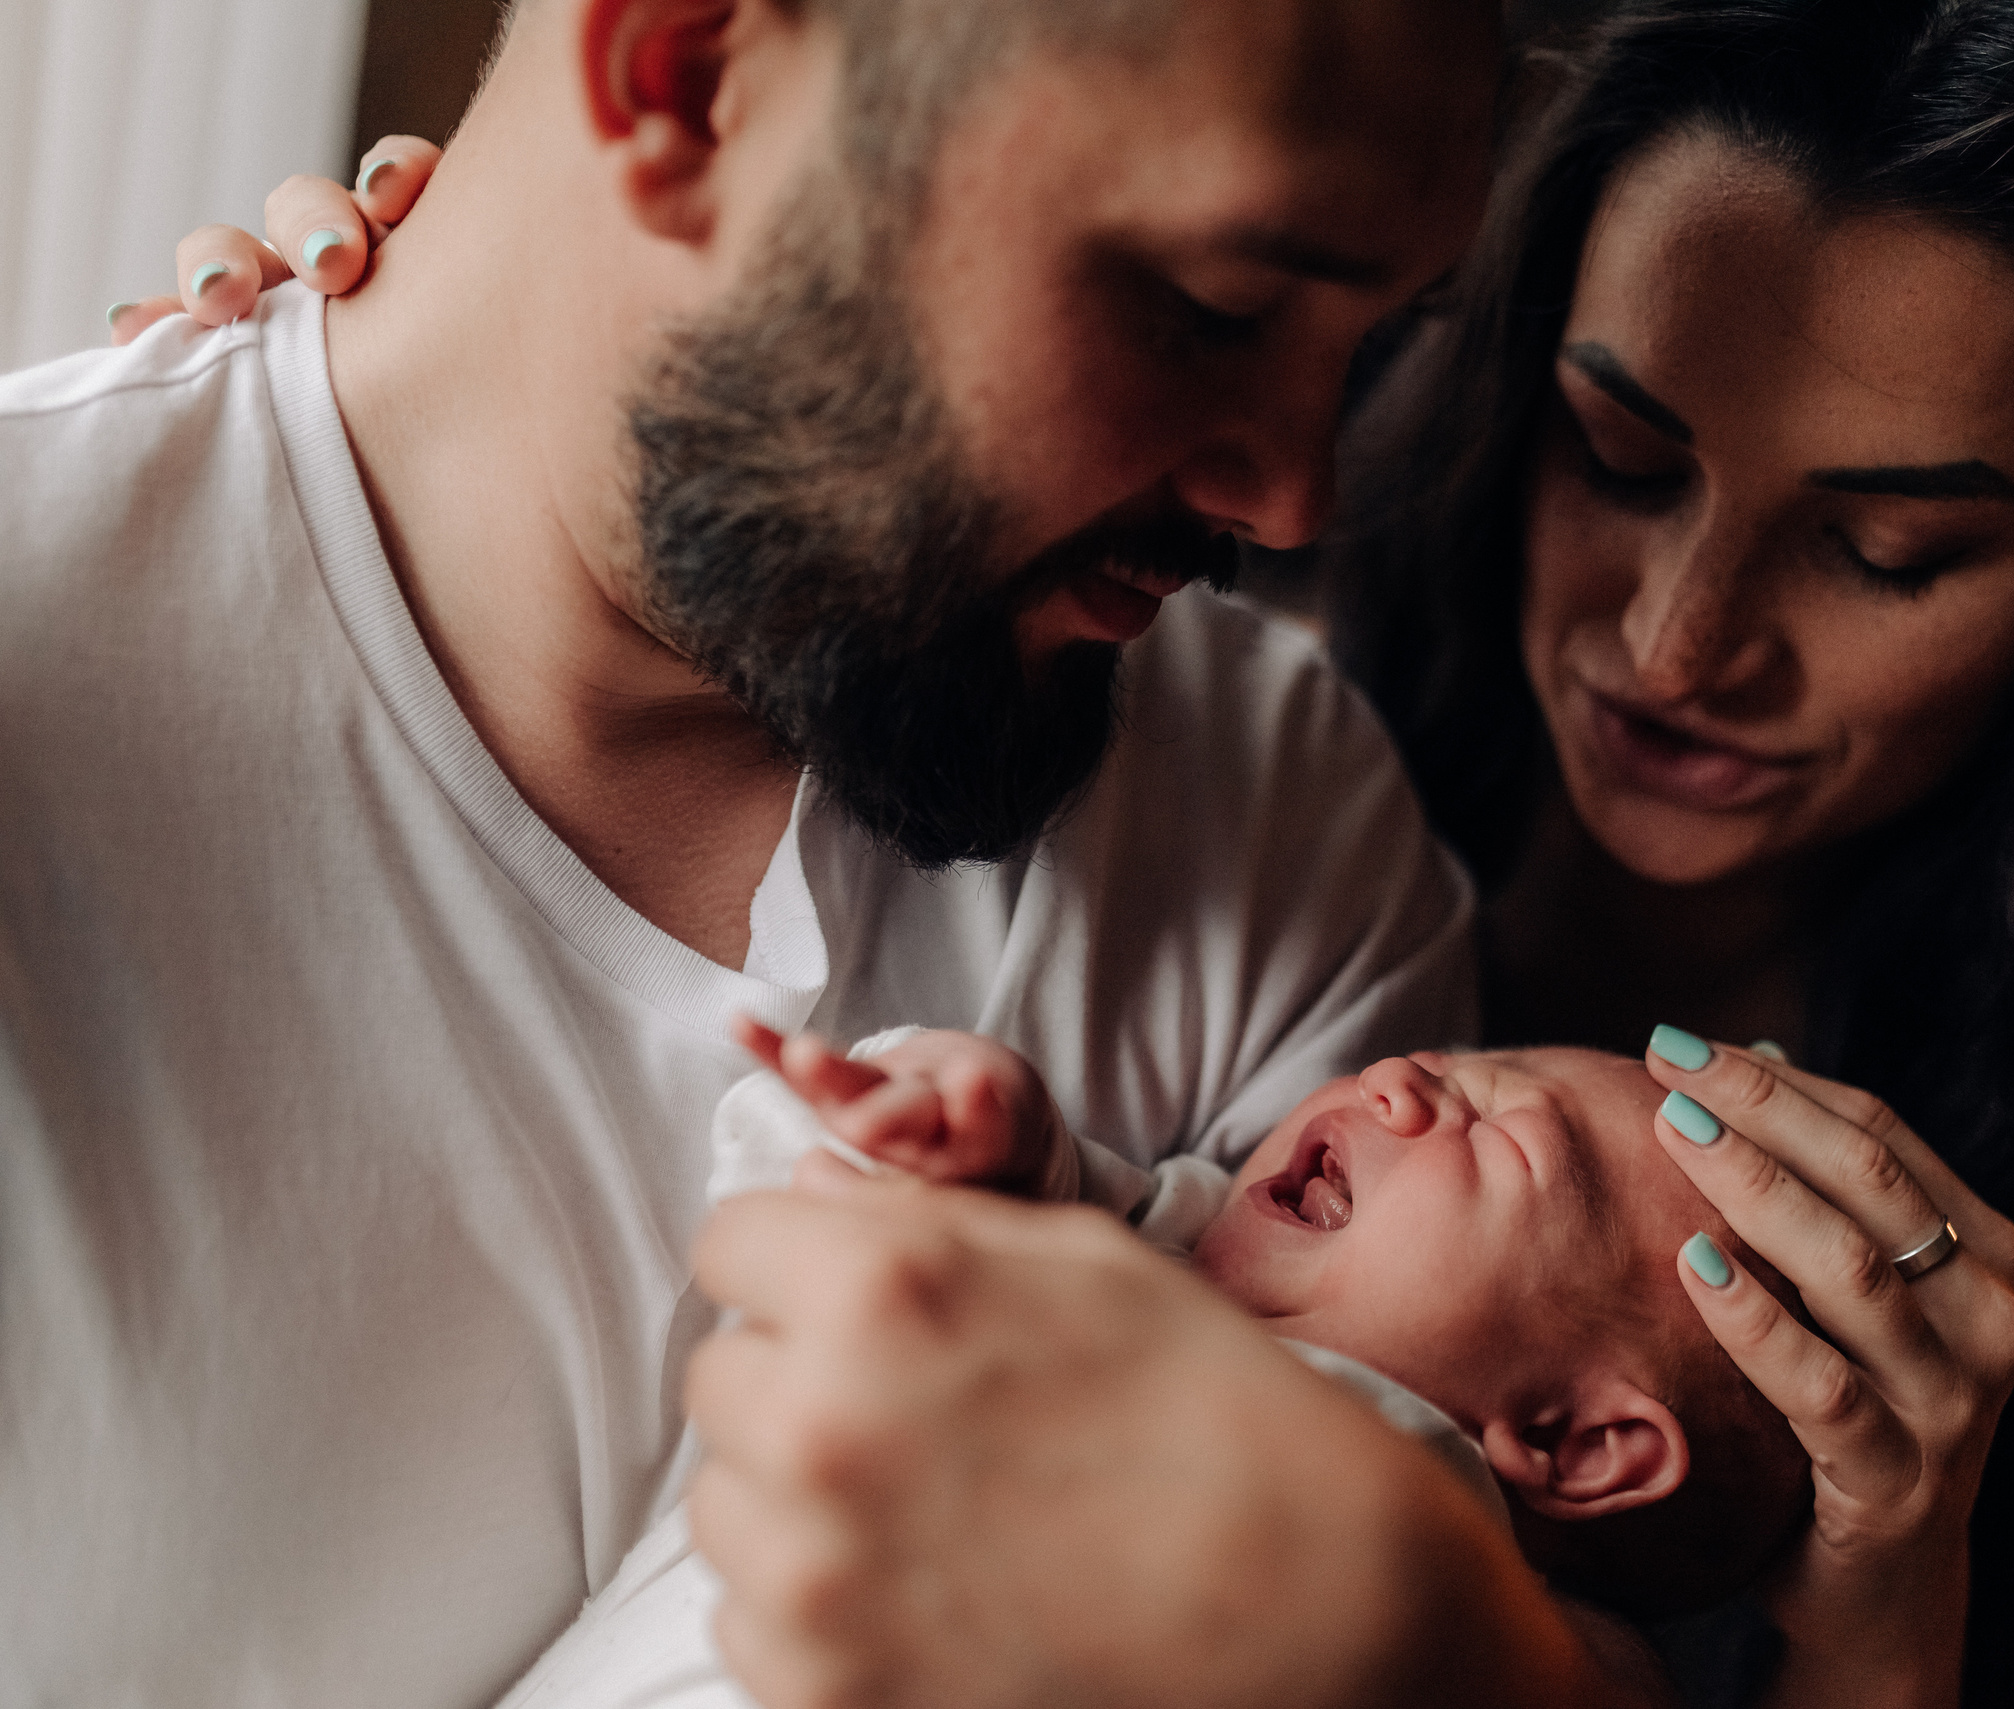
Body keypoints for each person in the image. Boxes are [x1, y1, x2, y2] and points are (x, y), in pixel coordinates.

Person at [0, 1, 1584, 1705]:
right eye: (1211, 309)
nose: (1293, 500)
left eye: (1371, 344)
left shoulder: (1286, 830)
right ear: (681, 78)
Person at [1322, 1, 2014, 1705]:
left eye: (1886, 552)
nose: (1677, 645)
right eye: (1623, 457)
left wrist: (1886, 1615)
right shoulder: (1235, 787)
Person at [493, 1024, 1816, 1709]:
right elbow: (796, 1244)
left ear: (1578, 1442)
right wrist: (962, 1130)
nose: (1406, 1077)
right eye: (1464, 1061)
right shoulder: (1166, 1237)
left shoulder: (1411, 1501)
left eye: (1508, 1137)